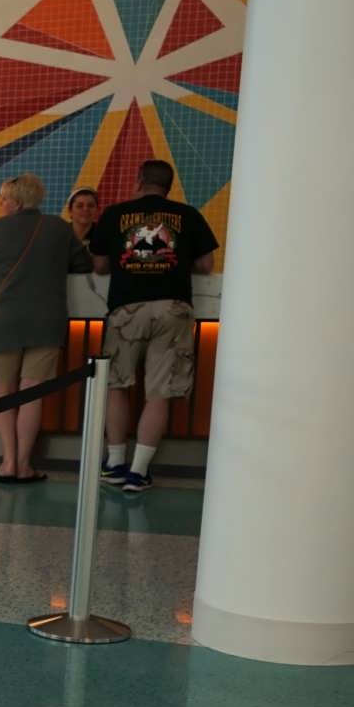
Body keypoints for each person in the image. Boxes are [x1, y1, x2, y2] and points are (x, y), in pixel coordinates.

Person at [87, 159, 218, 492]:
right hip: (173, 308)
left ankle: (115, 463)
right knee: (159, 392)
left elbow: (100, 266)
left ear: (139, 179)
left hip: (126, 308)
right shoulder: (188, 215)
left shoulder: (116, 214)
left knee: (117, 385)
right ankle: (139, 471)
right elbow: (206, 264)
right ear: (169, 185)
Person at [0, 173, 91, 483]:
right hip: (47, 320)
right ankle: (25, 465)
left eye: (4, 198)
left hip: (6, 320)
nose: (1, 203)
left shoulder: (0, 227)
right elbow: (83, 264)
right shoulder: (59, 229)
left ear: (16, 202)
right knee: (32, 394)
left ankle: (8, 462)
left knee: (4, 392)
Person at [64, 187, 99, 256]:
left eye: (91, 206)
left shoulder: (103, 235)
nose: (86, 209)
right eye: (79, 206)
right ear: (70, 211)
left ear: (97, 210)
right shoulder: (61, 235)